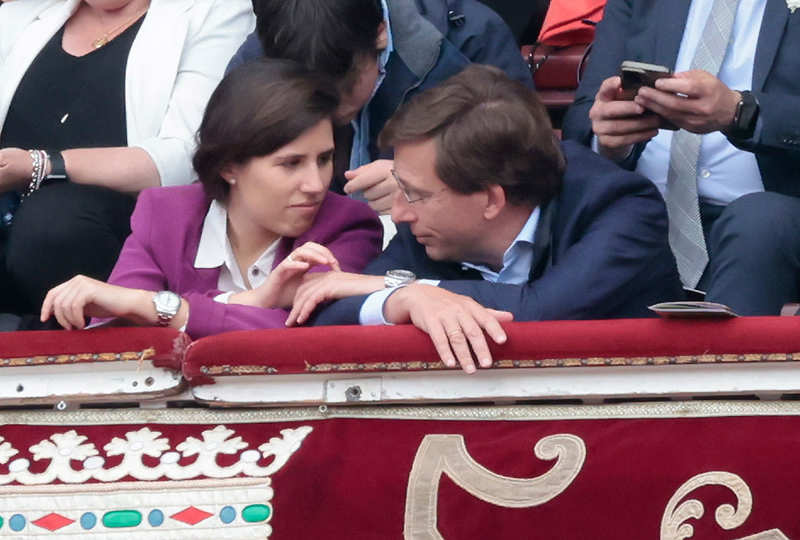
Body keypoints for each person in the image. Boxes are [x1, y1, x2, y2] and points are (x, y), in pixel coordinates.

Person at [286, 65, 682, 374]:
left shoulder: (621, 209)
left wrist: (412, 289)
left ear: (491, 200)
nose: (400, 213)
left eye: (417, 194)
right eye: (400, 188)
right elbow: (326, 315)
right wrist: (403, 297)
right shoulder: (424, 227)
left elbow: (540, 313)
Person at [39, 60, 383, 338]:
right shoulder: (163, 215)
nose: (316, 183)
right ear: (229, 165)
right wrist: (250, 303)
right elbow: (122, 333)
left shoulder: (348, 225)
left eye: (324, 159)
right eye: (291, 163)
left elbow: (309, 332)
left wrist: (162, 309)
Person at [0, 0, 254, 326]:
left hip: (113, 235)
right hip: (10, 221)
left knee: (52, 224)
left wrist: (39, 166)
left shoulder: (212, 10)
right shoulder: (17, 16)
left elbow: (184, 158)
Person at [561, 0, 800, 315]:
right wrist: (611, 139)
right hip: (645, 207)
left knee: (757, 222)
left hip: (771, 211)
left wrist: (741, 113)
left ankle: (721, 362)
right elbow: (583, 120)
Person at [227, 0, 533, 214]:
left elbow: (529, 162)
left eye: (345, 87)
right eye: (312, 96)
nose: (331, 113)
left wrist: (430, 180)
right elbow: (225, 166)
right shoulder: (260, 60)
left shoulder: (469, 39)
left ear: (381, 33)